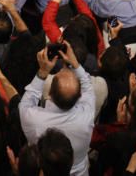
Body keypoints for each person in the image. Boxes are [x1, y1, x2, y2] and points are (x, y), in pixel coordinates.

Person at [19, 41, 95, 176]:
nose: (61, 69)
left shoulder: (33, 119)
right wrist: (75, 64)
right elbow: (88, 86)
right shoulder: (87, 115)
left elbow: (25, 103)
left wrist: (43, 71)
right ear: (79, 97)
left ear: (49, 94)